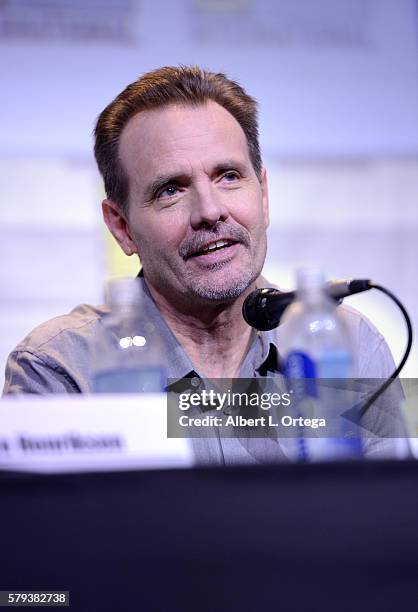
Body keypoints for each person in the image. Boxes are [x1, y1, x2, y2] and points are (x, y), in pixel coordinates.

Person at [2, 66, 410, 462]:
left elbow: (386, 522)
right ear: (122, 227)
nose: (210, 211)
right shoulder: (62, 370)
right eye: (170, 190)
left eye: (228, 176)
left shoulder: (347, 347)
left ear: (263, 195)